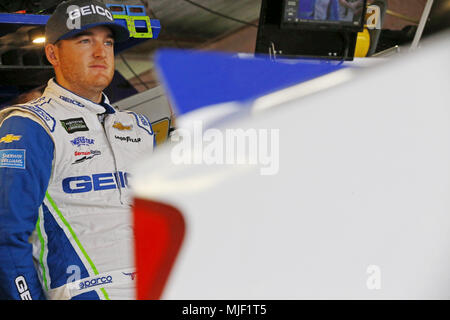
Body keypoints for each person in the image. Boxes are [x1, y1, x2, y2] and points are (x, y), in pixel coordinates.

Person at [0, 0, 155, 300]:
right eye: (85, 41)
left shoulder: (139, 127)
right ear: (52, 53)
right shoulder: (29, 126)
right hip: (85, 290)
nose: (100, 53)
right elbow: (6, 236)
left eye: (107, 42)